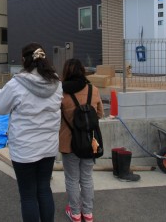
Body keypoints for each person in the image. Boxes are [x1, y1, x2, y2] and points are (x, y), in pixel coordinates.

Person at [0, 43, 63, 222]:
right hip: (48, 146)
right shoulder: (57, 83)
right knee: (44, 189)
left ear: (24, 60)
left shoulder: (16, 84)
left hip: (24, 150)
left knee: (28, 195)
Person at [59, 59, 104, 222]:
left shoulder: (61, 92)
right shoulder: (94, 89)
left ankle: (75, 213)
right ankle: (88, 213)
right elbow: (99, 115)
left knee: (71, 178)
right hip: (89, 141)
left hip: (68, 142)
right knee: (86, 177)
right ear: (82, 71)